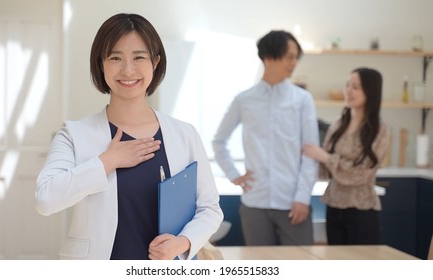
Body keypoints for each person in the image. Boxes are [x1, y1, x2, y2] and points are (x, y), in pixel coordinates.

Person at [35, 13, 223, 260]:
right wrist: (107, 161)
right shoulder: (73, 134)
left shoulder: (184, 134)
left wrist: (182, 243)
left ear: (155, 63)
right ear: (101, 65)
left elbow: (210, 208)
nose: (127, 69)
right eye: (115, 58)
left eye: (139, 57)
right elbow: (45, 199)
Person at [212, 30, 319, 246]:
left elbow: (311, 152)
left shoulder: (302, 99)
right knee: (260, 266)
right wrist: (233, 174)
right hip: (255, 204)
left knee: (301, 267)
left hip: (292, 203)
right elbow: (219, 141)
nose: (294, 62)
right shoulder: (244, 100)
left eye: (296, 57)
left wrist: (302, 197)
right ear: (269, 57)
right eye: (289, 56)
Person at [303, 67, 389, 245]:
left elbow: (359, 174)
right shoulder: (338, 124)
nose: (348, 91)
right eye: (347, 85)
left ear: (370, 92)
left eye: (355, 87)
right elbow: (324, 171)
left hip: (361, 211)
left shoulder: (379, 130)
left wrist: (325, 157)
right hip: (334, 207)